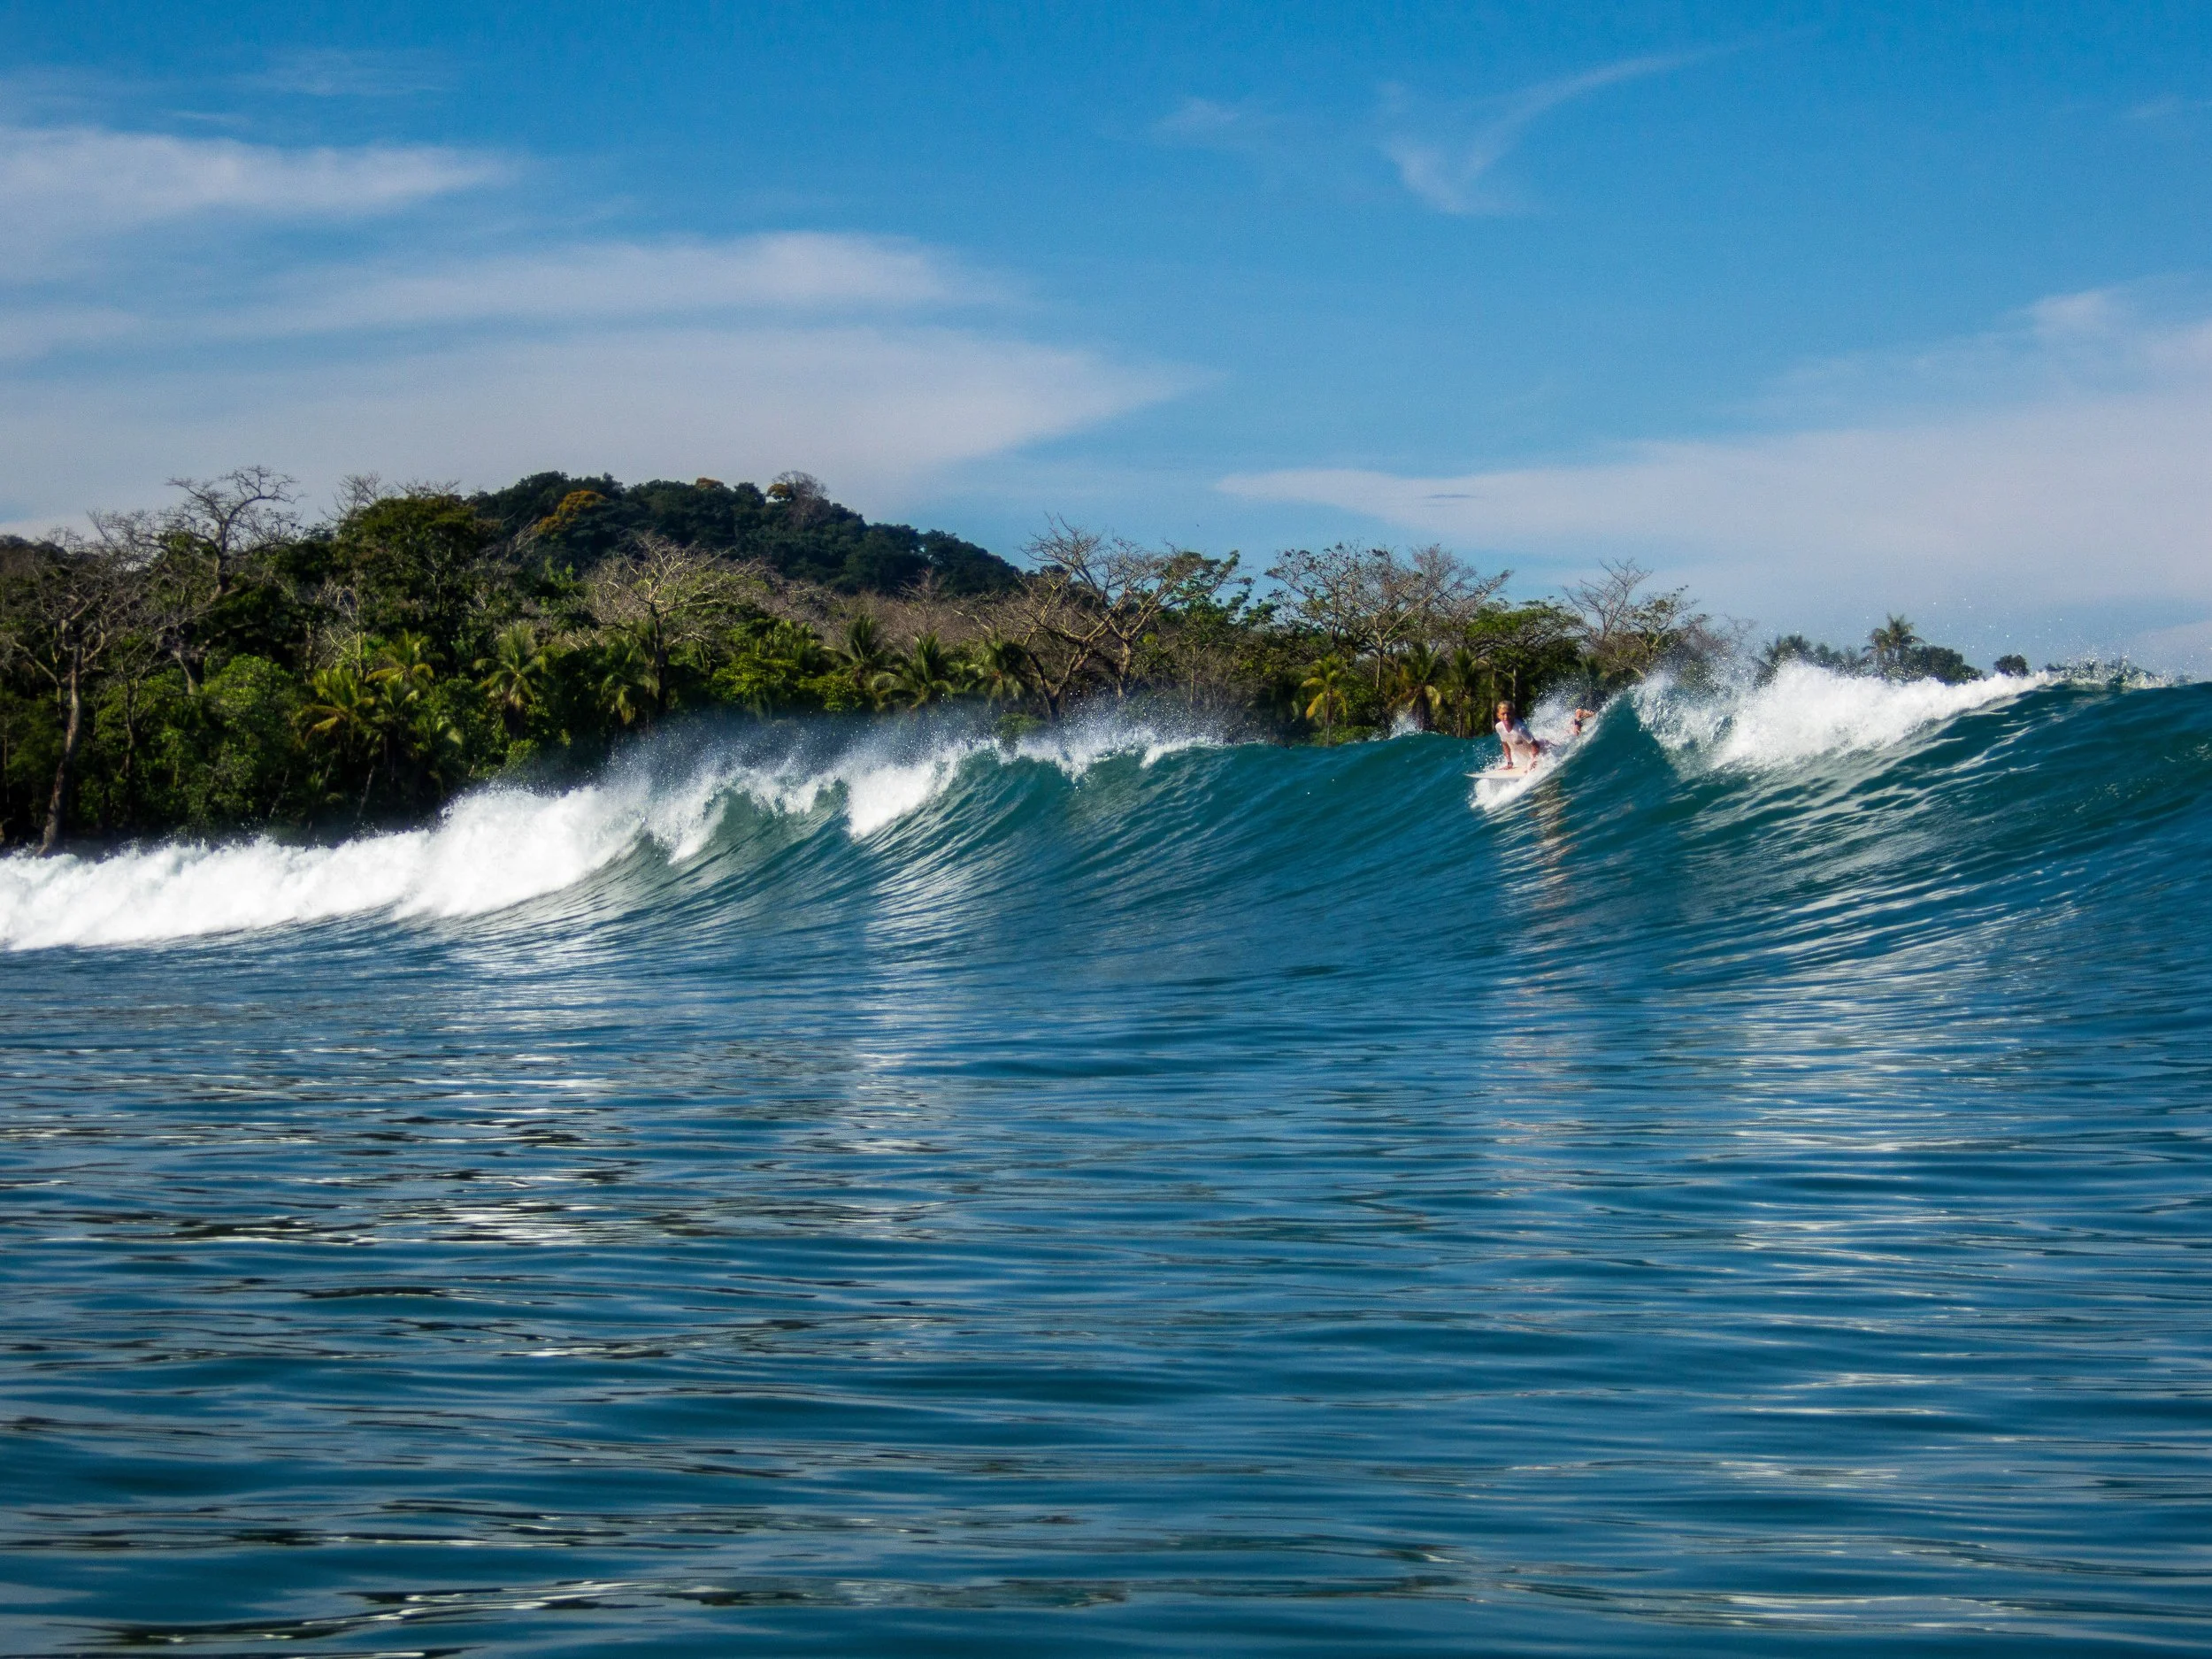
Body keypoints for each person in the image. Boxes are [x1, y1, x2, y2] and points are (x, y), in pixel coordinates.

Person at [1494, 700, 1542, 771]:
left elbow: (1536, 745)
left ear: (1513, 714)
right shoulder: (1499, 727)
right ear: (1498, 715)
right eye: (1503, 714)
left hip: (1538, 753)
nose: (1506, 716)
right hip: (1525, 757)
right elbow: (1505, 744)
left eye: (1508, 713)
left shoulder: (1520, 729)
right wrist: (1510, 763)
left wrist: (1534, 761)